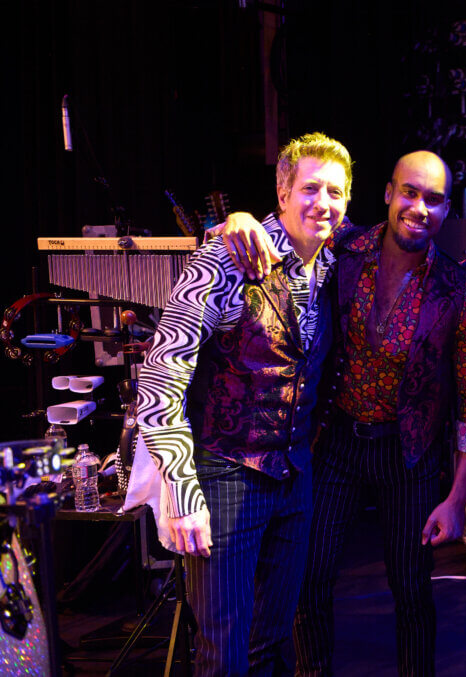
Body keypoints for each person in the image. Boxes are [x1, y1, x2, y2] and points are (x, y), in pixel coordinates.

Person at [219, 150, 466, 676]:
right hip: (337, 440)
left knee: (413, 588)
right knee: (310, 576)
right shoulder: (346, 247)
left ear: (446, 211)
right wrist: (242, 220)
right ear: (389, 193)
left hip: (409, 451)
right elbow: (296, 218)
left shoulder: (457, 290)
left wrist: (458, 498)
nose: (419, 208)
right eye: (410, 193)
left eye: (434, 200)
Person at [137, 132, 351, 675]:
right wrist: (182, 493)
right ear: (281, 193)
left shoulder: (334, 263)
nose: (322, 203)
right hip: (226, 476)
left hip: (294, 478)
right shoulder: (223, 260)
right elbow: (160, 380)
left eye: (335, 191)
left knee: (274, 645)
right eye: (310, 188)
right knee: (224, 654)